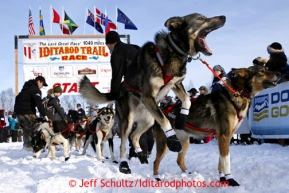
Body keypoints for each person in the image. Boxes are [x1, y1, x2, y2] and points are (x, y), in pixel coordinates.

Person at [14, 76, 49, 151]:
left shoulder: (25, 89)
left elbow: (17, 98)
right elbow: (39, 103)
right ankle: (32, 146)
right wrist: (44, 114)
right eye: (42, 84)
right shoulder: (35, 90)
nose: (42, 87)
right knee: (34, 128)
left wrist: (15, 112)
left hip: (19, 113)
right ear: (39, 81)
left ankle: (26, 146)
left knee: (26, 129)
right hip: (27, 111)